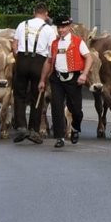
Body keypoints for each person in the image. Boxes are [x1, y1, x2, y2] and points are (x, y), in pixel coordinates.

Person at [38, 16, 93, 149]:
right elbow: (48, 61)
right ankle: (59, 137)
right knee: (57, 108)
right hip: (57, 78)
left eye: (63, 27)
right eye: (59, 28)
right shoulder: (54, 44)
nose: (61, 30)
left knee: (76, 110)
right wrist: (42, 80)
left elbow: (89, 58)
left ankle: (75, 128)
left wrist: (84, 74)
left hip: (74, 78)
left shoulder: (78, 42)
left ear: (69, 27)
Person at [11, 3, 55, 145]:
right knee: (38, 95)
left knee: (19, 95)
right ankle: (34, 129)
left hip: (22, 59)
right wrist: (46, 74)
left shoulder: (21, 25)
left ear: (33, 12)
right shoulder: (49, 29)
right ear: (46, 14)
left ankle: (21, 126)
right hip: (39, 62)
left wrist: (19, 59)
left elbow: (14, 45)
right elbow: (51, 52)